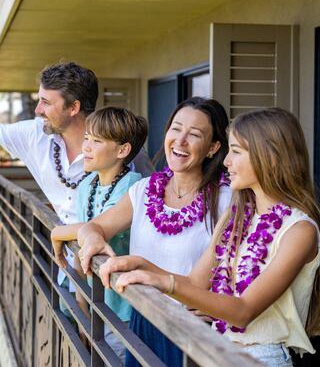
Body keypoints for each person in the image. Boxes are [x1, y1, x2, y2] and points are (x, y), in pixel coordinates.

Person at [101, 108, 320, 367]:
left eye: (236, 151)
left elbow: (243, 311)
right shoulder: (236, 217)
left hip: (261, 357)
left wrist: (165, 283)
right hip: (212, 349)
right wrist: (138, 264)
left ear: (269, 157)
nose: (226, 162)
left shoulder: (299, 230)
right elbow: (195, 281)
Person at [51, 97, 232, 366]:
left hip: (192, 331)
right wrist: (91, 238)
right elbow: (97, 225)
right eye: (176, 129)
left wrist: (219, 302)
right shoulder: (144, 190)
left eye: (194, 135)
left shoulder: (227, 200)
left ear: (213, 147)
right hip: (142, 319)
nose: (180, 141)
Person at [0, 62, 154, 290]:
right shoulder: (34, 134)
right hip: (66, 269)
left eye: (46, 102)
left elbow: (152, 206)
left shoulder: (128, 158)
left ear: (73, 107)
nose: (37, 109)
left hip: (115, 277)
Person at [51, 106, 148, 362]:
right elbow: (85, 237)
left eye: (97, 141)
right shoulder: (87, 184)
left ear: (122, 151)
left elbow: (94, 230)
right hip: (93, 294)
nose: (86, 147)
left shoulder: (132, 186)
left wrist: (59, 231)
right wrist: (83, 306)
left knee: (114, 357)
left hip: (121, 300)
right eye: (86, 138)